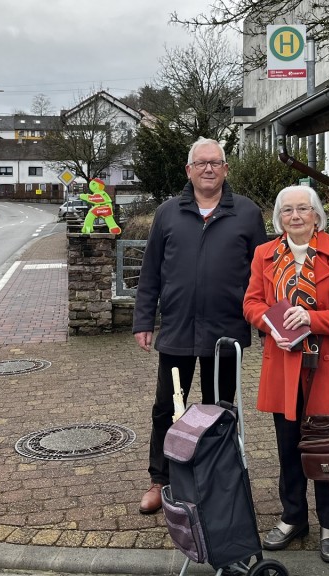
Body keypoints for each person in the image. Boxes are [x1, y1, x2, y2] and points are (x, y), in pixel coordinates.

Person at [133, 137, 267, 515]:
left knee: (220, 411)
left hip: (225, 336)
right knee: (167, 409)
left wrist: (266, 327)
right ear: (189, 170)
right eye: (201, 163)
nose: (209, 169)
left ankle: (215, 482)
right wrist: (144, 319)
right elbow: (151, 272)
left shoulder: (246, 213)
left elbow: (264, 274)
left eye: (216, 162)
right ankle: (161, 480)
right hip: (176, 331)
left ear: (226, 169)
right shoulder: (168, 213)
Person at [242, 185, 329, 563]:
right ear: (278, 218)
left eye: (303, 209)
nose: (295, 216)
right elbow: (252, 303)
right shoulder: (264, 255)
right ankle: (293, 517)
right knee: (287, 447)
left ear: (317, 215)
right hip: (284, 366)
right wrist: (271, 325)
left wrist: (312, 319)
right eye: (287, 211)